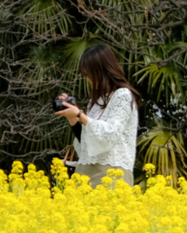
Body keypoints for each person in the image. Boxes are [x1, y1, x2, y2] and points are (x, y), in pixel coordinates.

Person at [55, 45, 140, 187]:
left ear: (101, 70)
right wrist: (74, 119)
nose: (88, 78)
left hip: (112, 173)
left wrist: (80, 115)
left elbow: (110, 134)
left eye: (89, 73)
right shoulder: (95, 102)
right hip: (85, 171)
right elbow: (88, 142)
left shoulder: (123, 95)